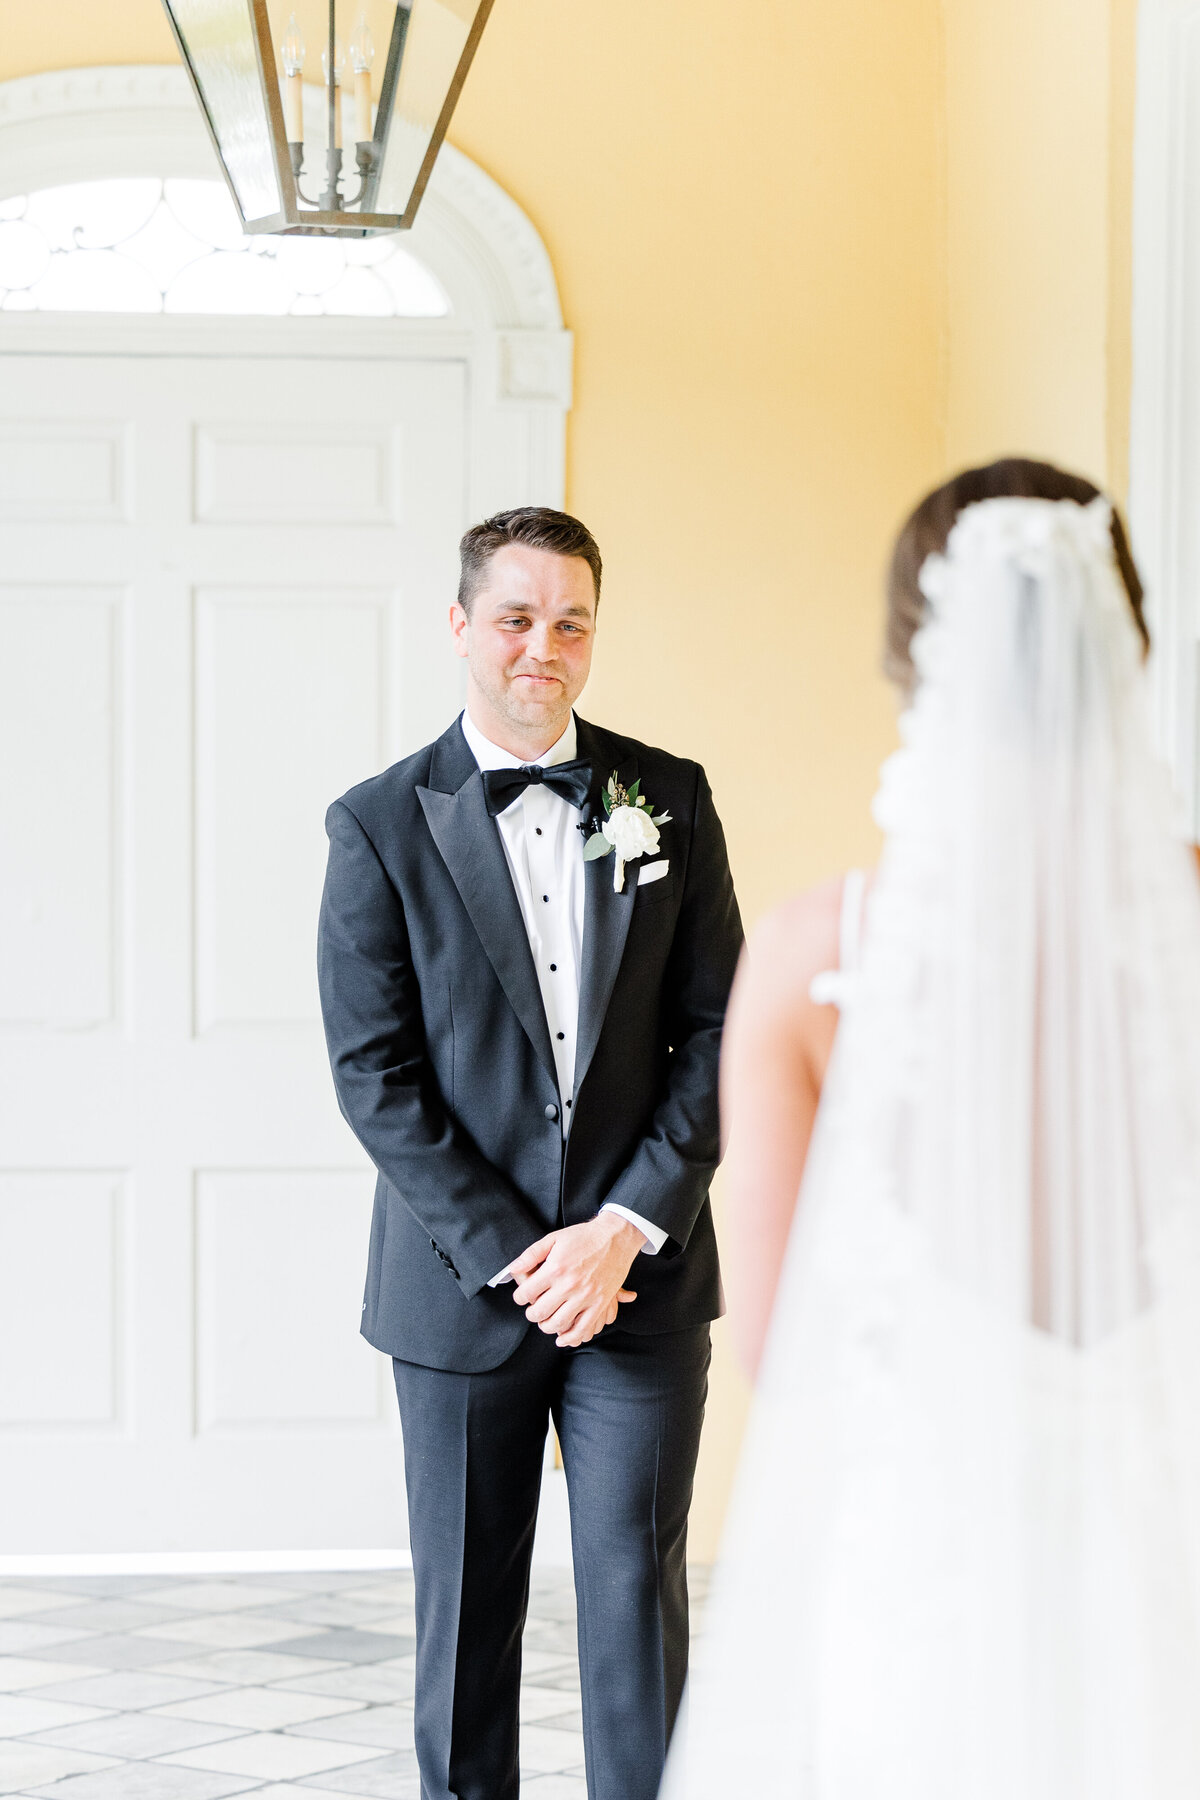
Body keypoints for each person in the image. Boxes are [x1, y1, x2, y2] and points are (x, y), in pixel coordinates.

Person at [661, 460, 1200, 1797]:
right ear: (1124, 644)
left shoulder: (812, 955)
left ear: (912, 658)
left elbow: (788, 1358)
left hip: (927, 1557)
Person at [316, 506, 742, 1800]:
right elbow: (373, 1074)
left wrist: (624, 1227)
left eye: (570, 622)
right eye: (515, 618)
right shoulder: (378, 824)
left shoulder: (666, 796)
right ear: (461, 627)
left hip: (641, 1280)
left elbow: (719, 1030)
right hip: (458, 1295)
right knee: (465, 1619)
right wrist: (521, 1254)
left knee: (637, 1601)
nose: (541, 647)